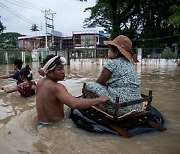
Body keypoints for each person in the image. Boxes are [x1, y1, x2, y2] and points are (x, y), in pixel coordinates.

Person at [36, 55, 109, 126]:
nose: (63, 71)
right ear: (50, 73)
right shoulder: (57, 87)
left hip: (40, 124)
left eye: (63, 68)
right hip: (56, 126)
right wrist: (99, 99)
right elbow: (74, 104)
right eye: (59, 69)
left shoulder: (39, 83)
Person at [84, 35, 142, 116]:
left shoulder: (112, 63)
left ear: (117, 51)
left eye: (110, 49)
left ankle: (92, 101)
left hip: (121, 108)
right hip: (138, 105)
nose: (108, 51)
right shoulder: (130, 63)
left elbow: (99, 82)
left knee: (89, 85)